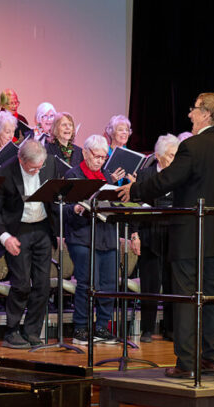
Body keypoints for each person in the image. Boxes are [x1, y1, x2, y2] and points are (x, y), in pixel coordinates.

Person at [119, 92, 214, 378]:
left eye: (195, 109)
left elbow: (168, 179)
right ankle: (212, 359)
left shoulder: (193, 146)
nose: (190, 114)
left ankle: (186, 364)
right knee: (212, 298)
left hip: (189, 234)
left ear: (207, 114)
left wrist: (134, 190)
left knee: (186, 298)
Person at [0, 140, 59, 349]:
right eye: (32, 168)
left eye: (40, 167)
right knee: (22, 284)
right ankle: (12, 330)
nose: (37, 171)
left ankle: (32, 331)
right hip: (18, 231)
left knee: (43, 285)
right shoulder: (3, 174)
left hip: (42, 228)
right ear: (21, 160)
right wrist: (5, 237)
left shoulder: (49, 165)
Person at [64, 135, 121, 346]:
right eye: (96, 156)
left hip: (107, 236)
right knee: (88, 283)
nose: (100, 161)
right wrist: (77, 208)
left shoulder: (106, 176)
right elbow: (65, 209)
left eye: (103, 157)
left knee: (108, 284)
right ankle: (81, 327)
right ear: (86, 153)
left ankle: (101, 327)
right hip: (83, 237)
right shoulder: (73, 175)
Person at [133, 134, 179, 343]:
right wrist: (135, 235)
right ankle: (147, 329)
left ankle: (170, 329)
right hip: (150, 234)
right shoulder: (144, 175)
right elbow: (134, 204)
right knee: (149, 284)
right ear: (159, 157)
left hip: (173, 235)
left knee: (172, 284)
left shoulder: (179, 177)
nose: (174, 159)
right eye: (171, 155)